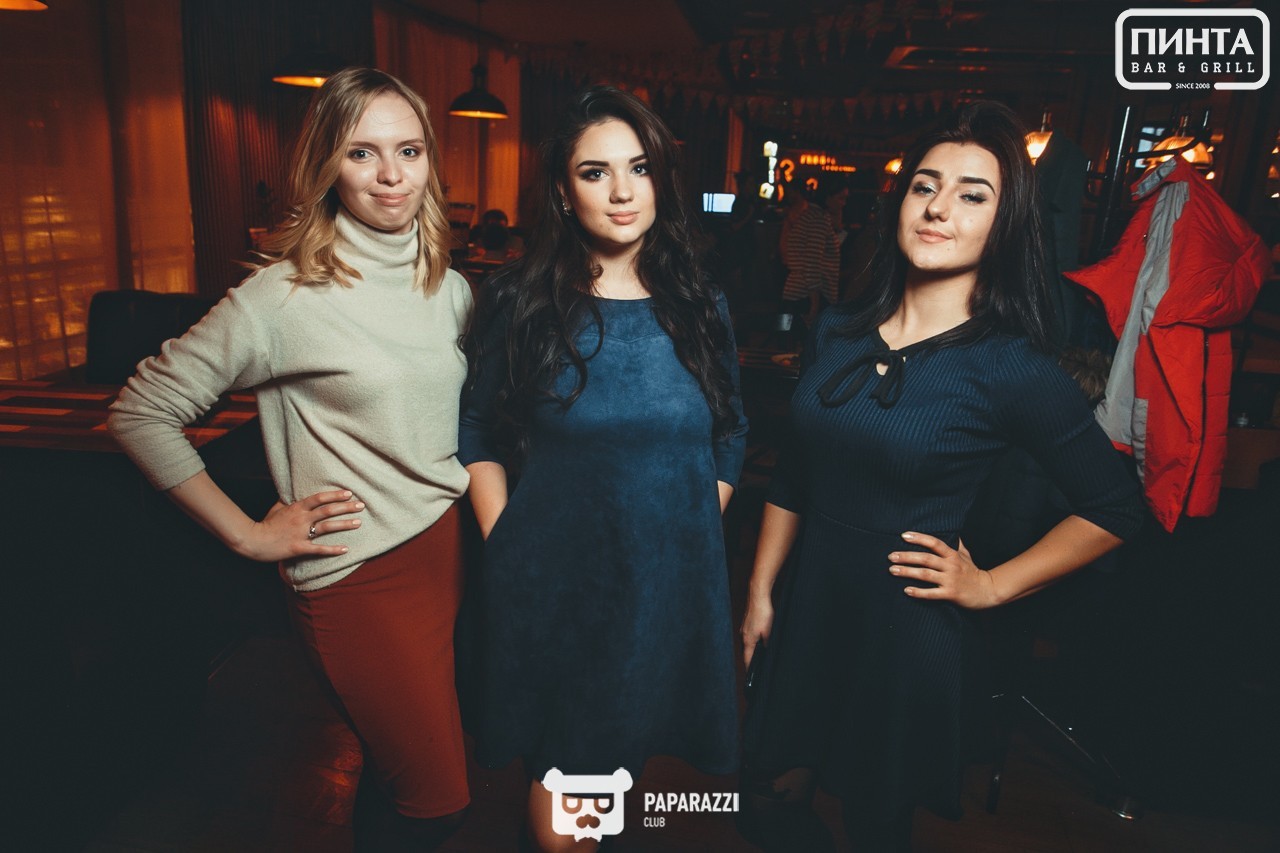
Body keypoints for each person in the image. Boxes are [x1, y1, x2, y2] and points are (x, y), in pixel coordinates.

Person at [739, 101, 1143, 851]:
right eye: (925, 186)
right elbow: (796, 472)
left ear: (1005, 225)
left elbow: (1115, 507)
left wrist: (990, 585)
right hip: (810, 610)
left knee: (874, 824)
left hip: (903, 632)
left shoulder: (1011, 367)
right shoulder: (838, 330)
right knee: (765, 798)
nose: (938, 207)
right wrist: (762, 591)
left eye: (971, 194)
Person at [108, 67, 473, 851]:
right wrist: (246, 534)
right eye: (362, 153)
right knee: (438, 802)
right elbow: (141, 411)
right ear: (327, 166)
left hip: (440, 553)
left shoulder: (447, 286)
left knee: (395, 773)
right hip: (354, 574)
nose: (391, 175)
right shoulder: (282, 296)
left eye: (409, 150)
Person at [459, 85, 748, 852]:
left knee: (618, 771)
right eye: (595, 172)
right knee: (570, 796)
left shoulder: (699, 303)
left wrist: (683, 534)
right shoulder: (521, 299)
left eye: (639, 168)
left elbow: (730, 431)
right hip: (557, 586)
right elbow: (477, 427)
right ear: (563, 191)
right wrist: (505, 536)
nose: (622, 191)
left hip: (663, 592)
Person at [780, 181, 848, 323]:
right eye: (840, 198)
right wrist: (814, 305)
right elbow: (812, 262)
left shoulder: (810, 215)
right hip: (807, 295)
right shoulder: (818, 219)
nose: (844, 204)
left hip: (798, 292)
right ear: (828, 197)